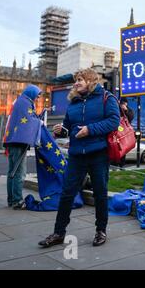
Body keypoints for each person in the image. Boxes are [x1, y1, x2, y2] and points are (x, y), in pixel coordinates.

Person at [38, 68, 120, 248]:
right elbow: (69, 127)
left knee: (100, 193)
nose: (76, 83)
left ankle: (101, 230)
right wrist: (61, 130)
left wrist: (90, 130)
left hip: (98, 153)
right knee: (67, 193)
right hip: (76, 155)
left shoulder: (107, 97)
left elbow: (114, 121)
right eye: (76, 80)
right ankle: (59, 232)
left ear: (91, 81)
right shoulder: (73, 102)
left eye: (80, 80)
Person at [3, 85, 43, 209]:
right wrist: (40, 122)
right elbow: (29, 120)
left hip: (13, 141)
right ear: (31, 93)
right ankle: (17, 200)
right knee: (19, 173)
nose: (37, 98)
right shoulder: (25, 102)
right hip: (19, 142)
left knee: (12, 172)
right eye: (37, 95)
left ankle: (11, 200)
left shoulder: (20, 100)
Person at [118, 97, 134, 168]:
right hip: (116, 131)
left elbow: (130, 117)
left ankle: (122, 164)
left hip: (124, 132)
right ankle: (115, 163)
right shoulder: (116, 108)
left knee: (123, 147)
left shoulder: (128, 110)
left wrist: (126, 110)